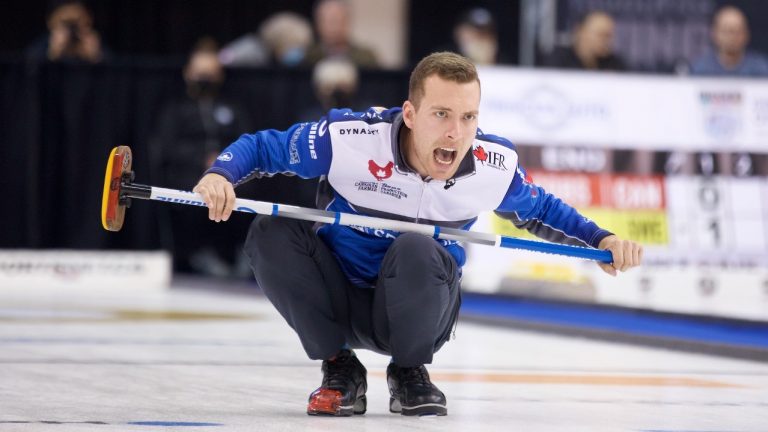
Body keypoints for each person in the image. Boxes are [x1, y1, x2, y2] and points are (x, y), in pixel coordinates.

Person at [193, 52, 642, 416]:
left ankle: (409, 372)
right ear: (409, 113)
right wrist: (221, 174)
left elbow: (542, 210)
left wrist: (601, 240)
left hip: (418, 309)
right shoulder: (350, 137)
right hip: (339, 298)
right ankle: (339, 369)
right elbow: (263, 147)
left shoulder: (493, 165)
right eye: (442, 114)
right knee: (271, 230)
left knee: (416, 246)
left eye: (468, 117)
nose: (456, 132)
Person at [150, 39, 253, 276]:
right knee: (196, 193)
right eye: (200, 73)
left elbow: (246, 141)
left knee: (247, 190)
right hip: (188, 173)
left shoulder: (232, 108)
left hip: (229, 172)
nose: (205, 80)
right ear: (188, 74)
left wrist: (224, 160)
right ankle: (200, 253)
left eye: (211, 74)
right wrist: (201, 159)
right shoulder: (175, 110)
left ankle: (241, 252)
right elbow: (167, 147)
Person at [689, 5, 768, 76]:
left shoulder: (760, 69)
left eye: (736, 31)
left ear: (746, 34)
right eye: (726, 31)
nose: (732, 37)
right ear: (714, 33)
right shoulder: (701, 69)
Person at [26, 0, 110, 63]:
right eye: (65, 23)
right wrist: (52, 54)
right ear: (50, 22)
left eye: (77, 22)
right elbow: (28, 74)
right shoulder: (39, 48)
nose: (72, 29)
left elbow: (116, 76)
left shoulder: (96, 45)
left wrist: (97, 57)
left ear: (89, 20)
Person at [303, 0, 379, 68]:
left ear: (347, 22)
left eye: (339, 21)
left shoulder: (365, 57)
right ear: (318, 24)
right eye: (330, 21)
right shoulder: (307, 57)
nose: (335, 27)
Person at [544, 11, 625, 71]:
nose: (606, 41)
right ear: (581, 31)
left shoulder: (615, 65)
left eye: (609, 36)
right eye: (601, 35)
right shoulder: (557, 61)